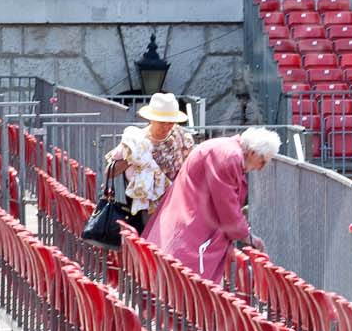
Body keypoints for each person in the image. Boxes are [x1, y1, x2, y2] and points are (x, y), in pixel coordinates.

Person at [144, 125, 278, 276]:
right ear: (253, 152)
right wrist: (247, 236)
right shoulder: (229, 157)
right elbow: (227, 206)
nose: (261, 168)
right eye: (263, 161)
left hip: (183, 219)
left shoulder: (224, 149)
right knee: (189, 287)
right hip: (190, 230)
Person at [102, 92, 196, 233]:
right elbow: (109, 172)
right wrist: (131, 157)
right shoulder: (136, 140)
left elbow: (191, 167)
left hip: (176, 202)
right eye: (161, 122)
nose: (166, 127)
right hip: (146, 207)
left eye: (170, 122)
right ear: (151, 120)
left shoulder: (182, 137)